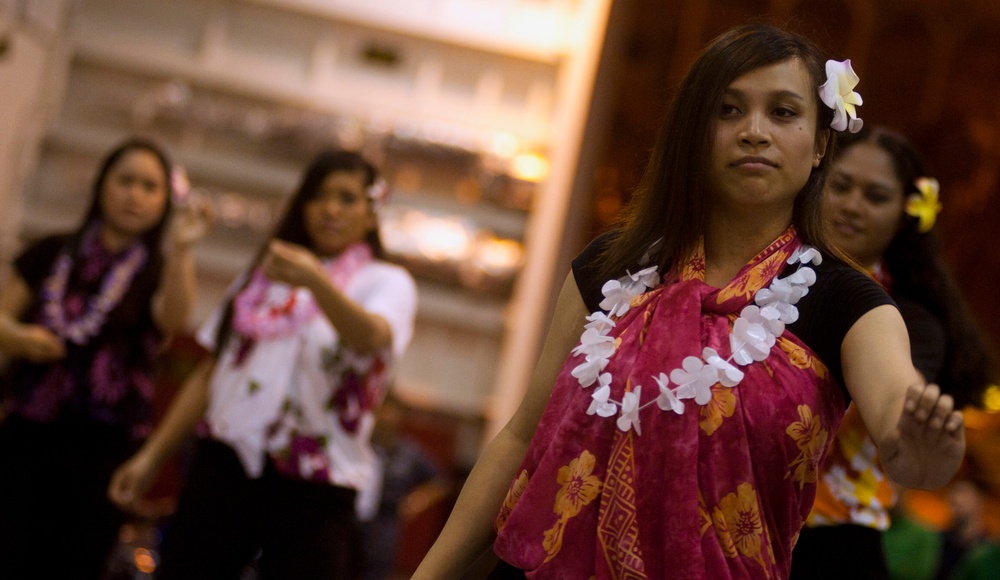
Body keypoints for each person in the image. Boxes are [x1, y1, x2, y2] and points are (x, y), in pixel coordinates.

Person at [413, 23, 966, 580]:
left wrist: (922, 453)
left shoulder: (848, 303)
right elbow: (519, 438)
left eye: (782, 112)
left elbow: (899, 408)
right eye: (727, 111)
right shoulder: (614, 264)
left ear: (821, 143)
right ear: (693, 132)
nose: (754, 132)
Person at [107, 149, 418, 579]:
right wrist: (152, 456)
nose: (330, 208)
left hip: (315, 484)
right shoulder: (266, 273)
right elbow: (213, 370)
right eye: (318, 196)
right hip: (225, 463)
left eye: (346, 198)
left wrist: (315, 280)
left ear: (371, 213)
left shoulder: (387, 282)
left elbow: (372, 337)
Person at [0, 137, 213, 578]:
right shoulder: (53, 250)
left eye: (149, 187)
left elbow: (173, 318)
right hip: (27, 436)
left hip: (104, 454)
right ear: (102, 185)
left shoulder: (158, 268)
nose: (135, 195)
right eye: (125, 181)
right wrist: (18, 337)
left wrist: (184, 250)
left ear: (163, 201)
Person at [790, 126, 997, 579]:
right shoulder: (768, 277)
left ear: (905, 215)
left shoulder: (910, 320)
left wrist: (917, 425)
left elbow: (898, 400)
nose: (852, 204)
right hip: (731, 529)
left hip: (831, 547)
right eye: (841, 185)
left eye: (876, 196)